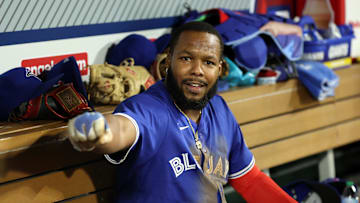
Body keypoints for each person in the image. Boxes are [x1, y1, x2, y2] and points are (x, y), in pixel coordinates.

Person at [67, 21, 297, 203]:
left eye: (208, 62)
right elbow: (123, 128)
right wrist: (101, 132)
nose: (197, 70)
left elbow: (249, 179)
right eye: (186, 58)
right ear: (168, 63)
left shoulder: (220, 110)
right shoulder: (150, 108)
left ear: (219, 69)